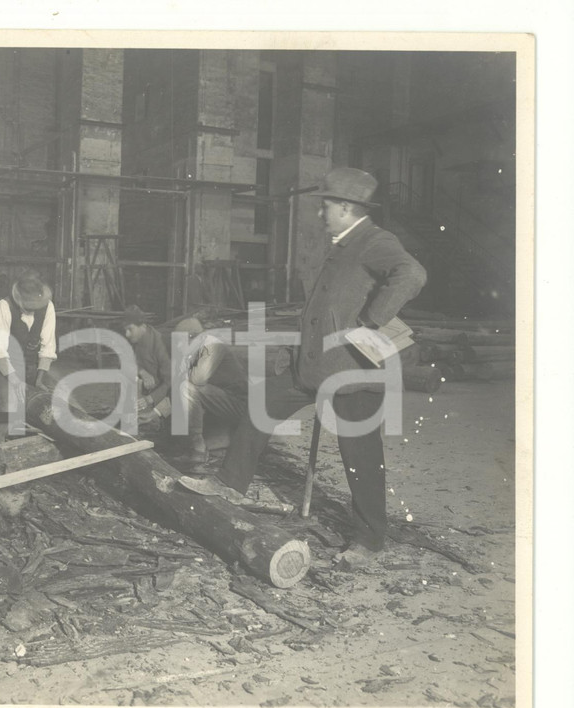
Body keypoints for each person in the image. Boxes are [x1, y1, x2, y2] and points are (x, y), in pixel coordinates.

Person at [183, 167, 427, 568]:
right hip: (314, 366)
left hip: (355, 372)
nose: (321, 214)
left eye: (326, 206)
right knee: (263, 399)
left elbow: (412, 274)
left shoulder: (374, 241)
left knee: (360, 452)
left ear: (346, 208)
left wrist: (371, 321)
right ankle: (230, 483)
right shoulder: (344, 243)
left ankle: (369, 539)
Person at [0, 271, 57, 462]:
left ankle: (46, 444)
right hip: (1, 365)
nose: (33, 308)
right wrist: (16, 382)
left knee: (53, 397)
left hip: (31, 364)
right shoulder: (3, 307)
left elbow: (48, 347)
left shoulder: (48, 307)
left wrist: (40, 379)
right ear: (20, 299)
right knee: (8, 404)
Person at [173, 316, 248, 471]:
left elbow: (198, 379)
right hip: (220, 405)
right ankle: (200, 443)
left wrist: (185, 363)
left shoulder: (212, 345)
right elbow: (175, 388)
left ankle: (198, 449)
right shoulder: (192, 352)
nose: (177, 345)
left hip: (240, 405)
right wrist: (156, 413)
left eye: (179, 340)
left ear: (193, 337)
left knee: (188, 388)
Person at [121, 305, 173, 427]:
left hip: (169, 394)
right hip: (150, 390)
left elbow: (170, 382)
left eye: (130, 329)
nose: (127, 334)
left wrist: (149, 399)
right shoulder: (134, 340)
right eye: (125, 330)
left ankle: (157, 419)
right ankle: (132, 421)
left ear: (143, 327)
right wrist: (142, 372)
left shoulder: (160, 344)